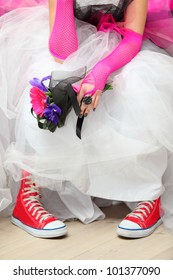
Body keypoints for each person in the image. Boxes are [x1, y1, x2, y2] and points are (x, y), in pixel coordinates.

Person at [1, 0, 173, 239]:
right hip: (69, 43)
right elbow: (63, 51)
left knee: (142, 82)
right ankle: (27, 198)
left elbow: (133, 38)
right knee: (47, 80)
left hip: (120, 46)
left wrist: (100, 72)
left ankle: (149, 195)